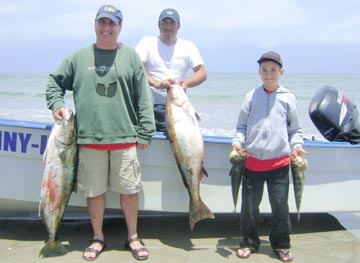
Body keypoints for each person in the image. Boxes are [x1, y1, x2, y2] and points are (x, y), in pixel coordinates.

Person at [46, 5, 155, 261]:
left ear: (120, 27)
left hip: (126, 138)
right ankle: (98, 237)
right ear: (95, 24)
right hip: (87, 140)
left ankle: (133, 236)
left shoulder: (131, 58)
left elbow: (144, 99)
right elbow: (54, 81)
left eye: (112, 24)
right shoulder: (78, 58)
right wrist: (57, 105)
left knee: (129, 190)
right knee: (93, 192)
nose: (106, 28)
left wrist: (145, 132)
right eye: (102, 23)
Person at [232, 51, 308, 262]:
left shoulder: (288, 98)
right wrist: (237, 142)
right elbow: (241, 127)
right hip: (252, 164)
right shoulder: (251, 96)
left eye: (273, 70)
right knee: (249, 209)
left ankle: (281, 244)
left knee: (280, 208)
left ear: (281, 72)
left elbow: (295, 130)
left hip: (280, 164)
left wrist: (297, 146)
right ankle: (249, 242)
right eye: (264, 70)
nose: (269, 75)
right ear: (259, 72)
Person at [135, 8, 207, 132]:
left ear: (178, 25)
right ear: (158, 24)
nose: (168, 27)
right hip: (146, 104)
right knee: (143, 143)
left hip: (177, 106)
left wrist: (186, 83)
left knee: (176, 145)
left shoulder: (188, 46)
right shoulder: (147, 42)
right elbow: (136, 68)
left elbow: (202, 73)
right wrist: (156, 84)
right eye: (164, 23)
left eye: (172, 23)